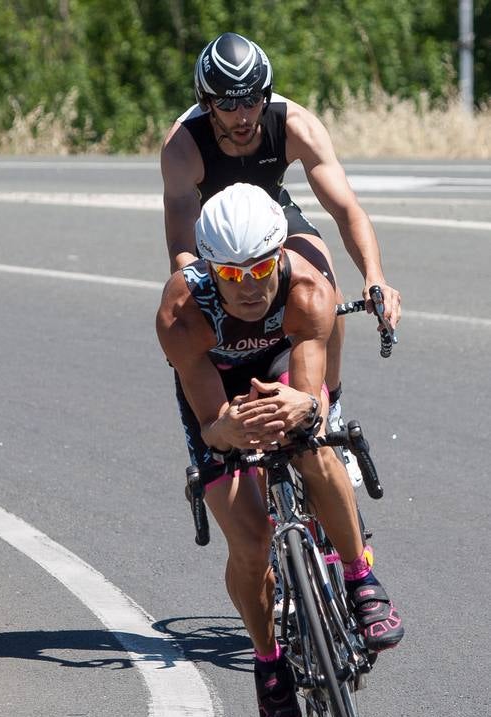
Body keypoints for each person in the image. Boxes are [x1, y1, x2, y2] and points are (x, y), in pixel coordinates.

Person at [156, 183, 404, 717]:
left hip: (281, 366)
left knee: (312, 444)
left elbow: (314, 396)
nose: (249, 287)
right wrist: (230, 428)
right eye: (232, 275)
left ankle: (359, 579)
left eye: (260, 269)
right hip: (220, 392)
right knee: (250, 541)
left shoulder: (309, 288)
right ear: (211, 268)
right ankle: (268, 666)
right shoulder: (181, 313)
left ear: (279, 257)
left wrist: (303, 407)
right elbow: (211, 423)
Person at [160, 31, 402, 489]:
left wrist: (375, 276)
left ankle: (332, 402)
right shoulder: (182, 145)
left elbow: (346, 208)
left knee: (319, 277)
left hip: (273, 215)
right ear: (207, 102)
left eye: (252, 101)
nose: (243, 115)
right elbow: (183, 246)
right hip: (218, 233)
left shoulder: (295, 124)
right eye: (228, 106)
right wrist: (209, 309)